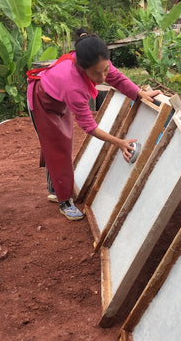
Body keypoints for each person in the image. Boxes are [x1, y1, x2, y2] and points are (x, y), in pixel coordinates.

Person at [27, 28, 161, 221]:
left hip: (57, 97)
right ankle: (64, 201)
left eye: (105, 69)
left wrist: (139, 94)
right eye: (96, 74)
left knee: (59, 144)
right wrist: (119, 142)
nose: (103, 78)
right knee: (58, 149)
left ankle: (54, 189)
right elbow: (89, 127)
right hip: (43, 102)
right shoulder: (73, 86)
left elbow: (117, 78)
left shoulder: (97, 60)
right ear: (82, 69)